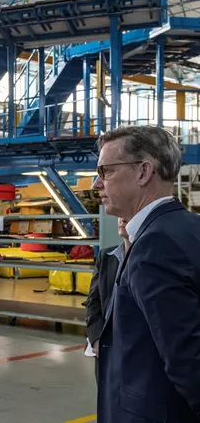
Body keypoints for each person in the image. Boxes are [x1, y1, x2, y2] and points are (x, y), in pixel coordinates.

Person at [92, 125, 200, 422]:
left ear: (143, 172)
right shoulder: (190, 228)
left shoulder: (155, 245)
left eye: (105, 171)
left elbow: (188, 359)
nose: (96, 184)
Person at [84, 217, 129, 380]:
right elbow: (93, 301)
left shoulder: (150, 259)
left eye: (128, 213)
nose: (122, 219)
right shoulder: (106, 256)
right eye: (119, 215)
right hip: (105, 350)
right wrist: (96, 339)